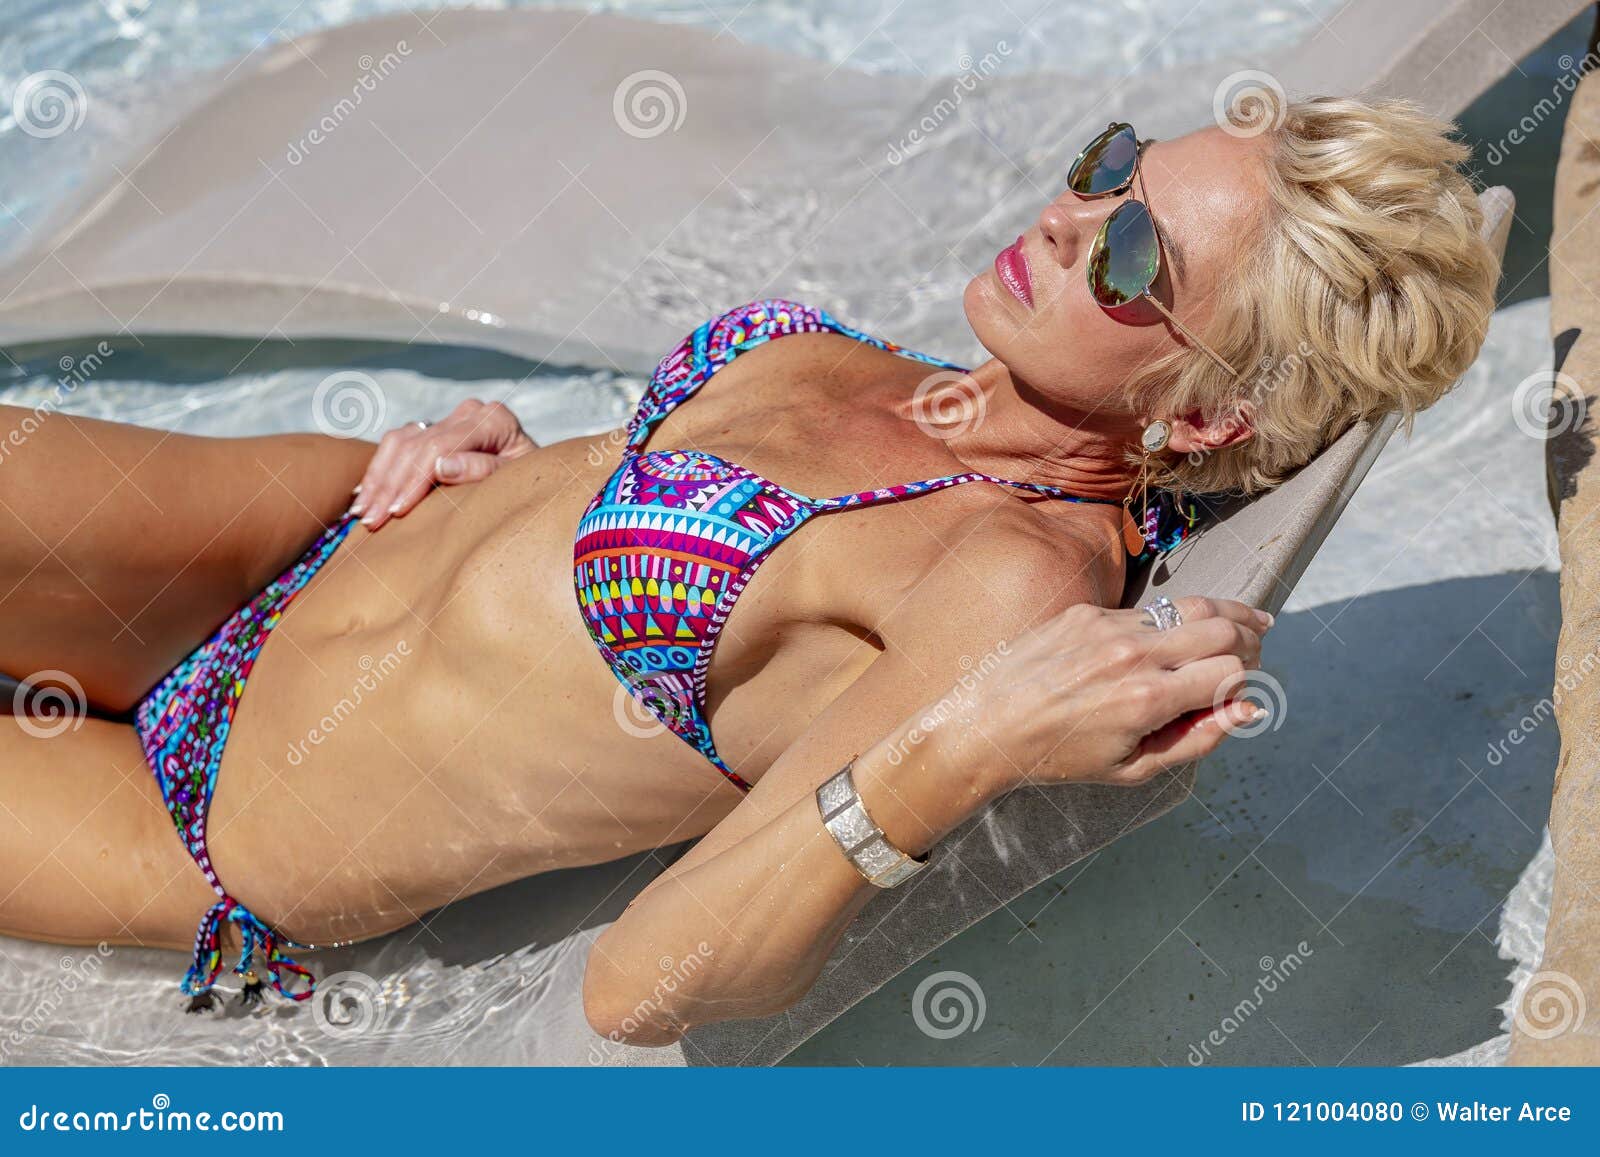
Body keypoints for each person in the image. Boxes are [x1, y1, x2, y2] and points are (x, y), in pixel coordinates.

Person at [0, 96, 1497, 1038]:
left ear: (1216, 410)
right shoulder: (966, 382)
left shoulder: (1010, 581)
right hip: (294, 534)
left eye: (1129, 257)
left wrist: (958, 747)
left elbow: (649, 983)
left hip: (208, 816)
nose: (1068, 216)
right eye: (1111, 167)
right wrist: (501, 451)